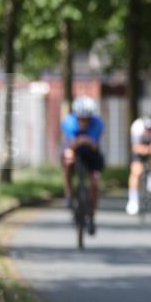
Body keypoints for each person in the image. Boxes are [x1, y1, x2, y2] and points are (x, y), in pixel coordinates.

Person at [61, 96, 105, 235]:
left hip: (91, 154)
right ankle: (68, 193)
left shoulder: (98, 123)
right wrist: (82, 141)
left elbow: (94, 145)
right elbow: (71, 144)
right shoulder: (69, 122)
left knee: (95, 183)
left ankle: (91, 217)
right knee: (68, 160)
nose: (84, 122)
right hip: (75, 152)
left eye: (87, 119)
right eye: (81, 118)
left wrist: (84, 140)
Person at [126, 115, 151, 216]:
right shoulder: (136, 127)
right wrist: (145, 149)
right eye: (147, 129)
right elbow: (135, 147)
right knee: (136, 172)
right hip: (139, 147)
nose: (149, 131)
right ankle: (133, 200)